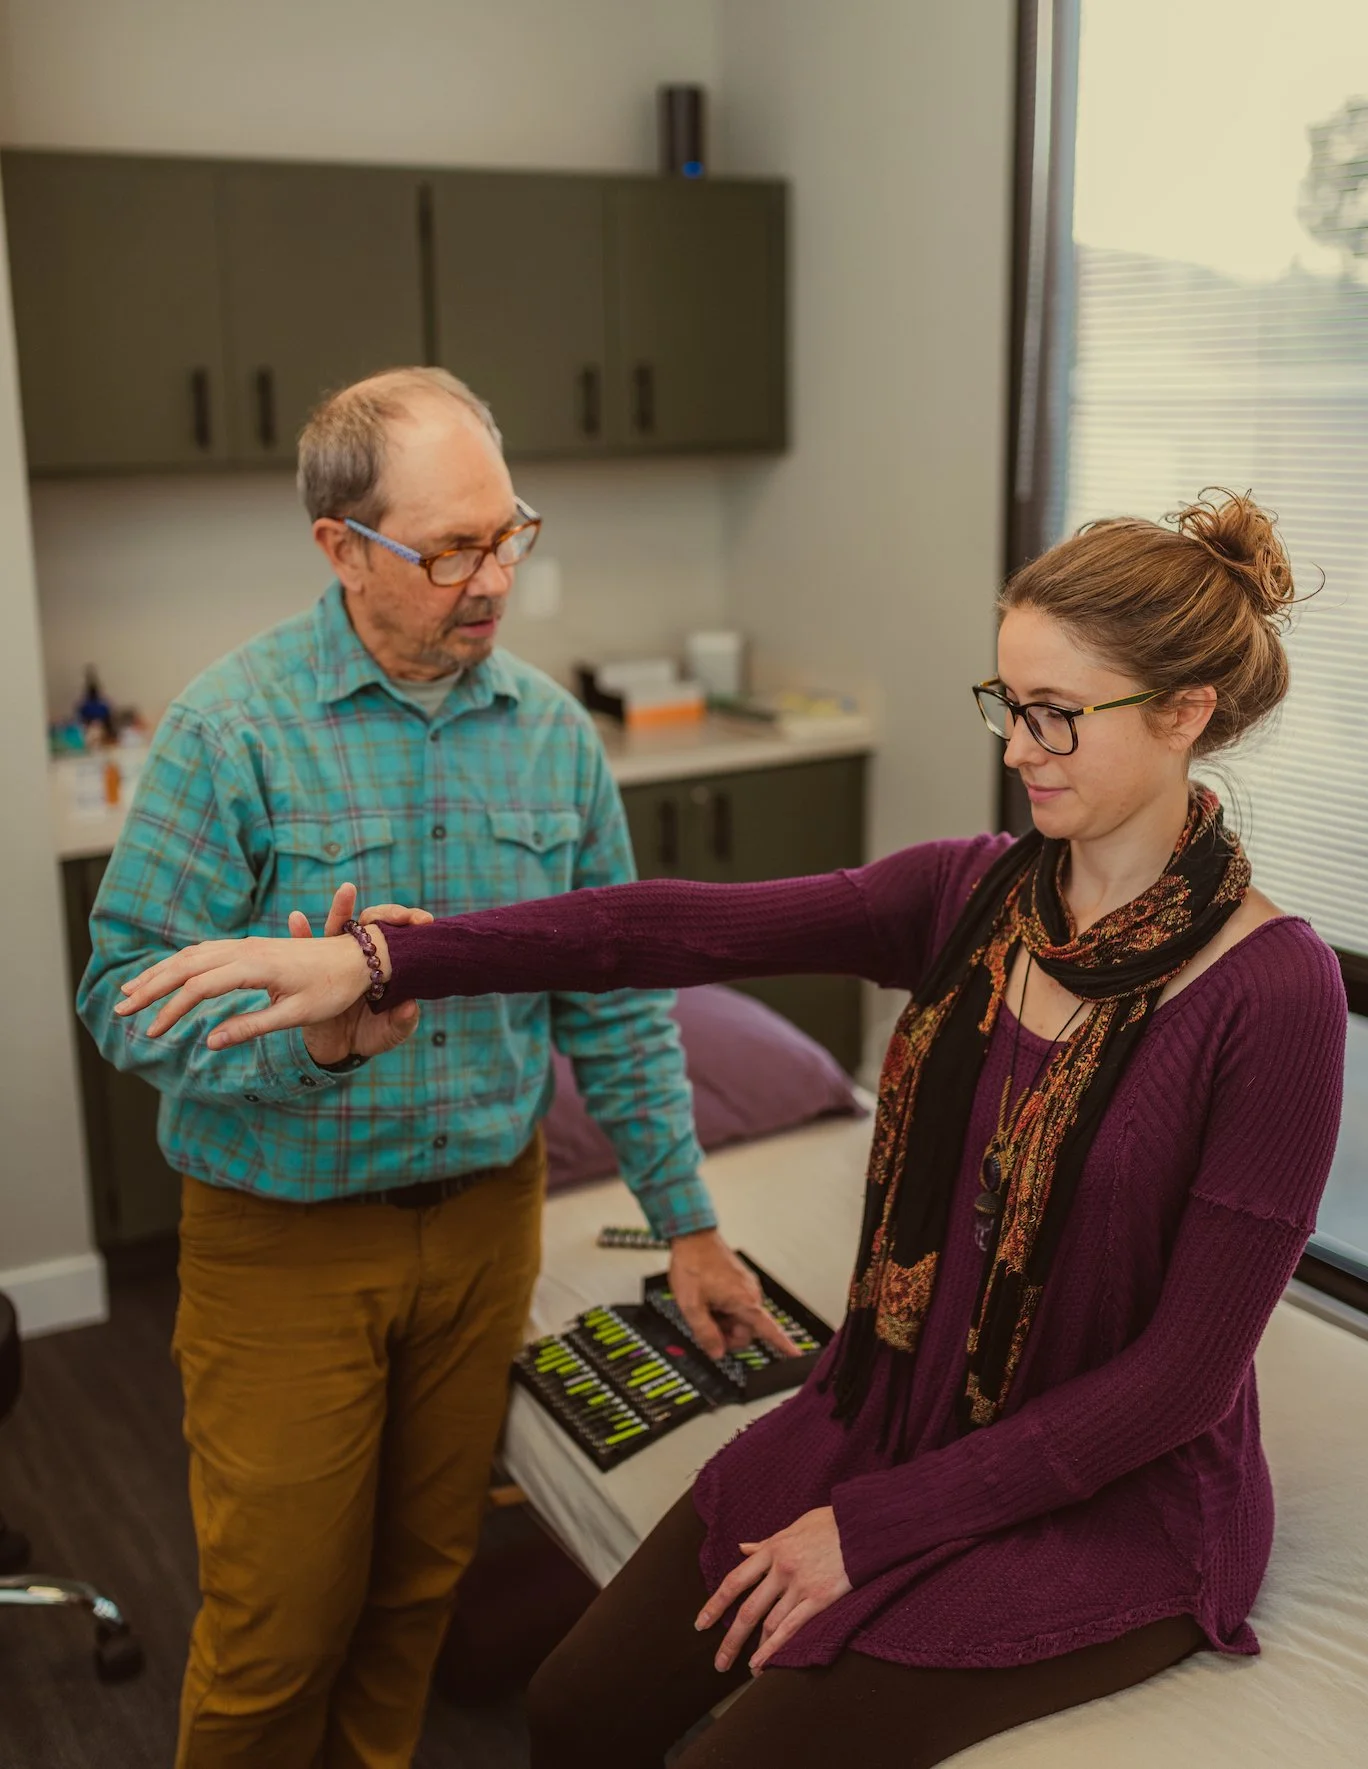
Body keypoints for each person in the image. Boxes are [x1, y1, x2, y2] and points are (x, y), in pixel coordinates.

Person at [116, 491, 1349, 1769]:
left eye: (1056, 716)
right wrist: (381, 963)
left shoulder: (1273, 991)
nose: (1019, 747)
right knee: (576, 1702)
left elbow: (1180, 1383)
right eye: (1007, 703)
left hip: (1113, 1504)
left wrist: (869, 1527)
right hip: (897, 1407)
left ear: (1185, 713)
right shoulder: (969, 894)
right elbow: (661, 926)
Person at [79, 366, 787, 1769]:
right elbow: (120, 1000)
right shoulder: (234, 735)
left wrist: (691, 1222)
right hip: (282, 1242)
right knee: (277, 1635)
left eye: (506, 533)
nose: (492, 579)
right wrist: (314, 1050)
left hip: (480, 1230)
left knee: (412, 1604)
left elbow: (619, 998)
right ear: (341, 546)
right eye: (447, 548)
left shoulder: (552, 742)